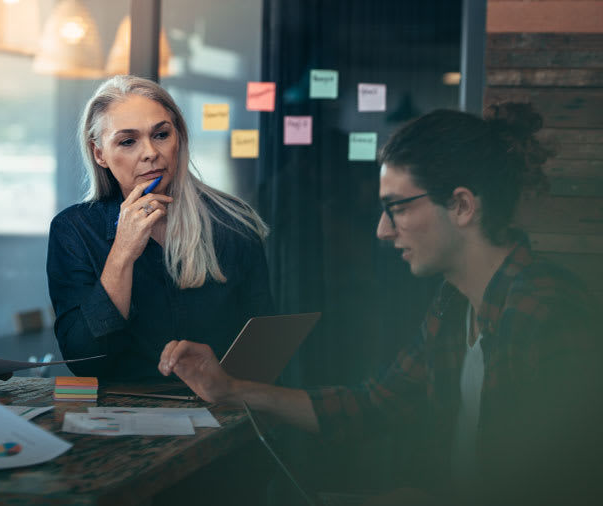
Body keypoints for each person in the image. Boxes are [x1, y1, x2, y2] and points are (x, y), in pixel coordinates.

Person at [158, 104, 603, 503]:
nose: (382, 231)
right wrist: (232, 389)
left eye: (399, 208)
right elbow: (376, 405)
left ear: (462, 206)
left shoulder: (545, 310)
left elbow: (551, 487)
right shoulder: (455, 304)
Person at [48, 75, 273, 380]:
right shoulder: (74, 229)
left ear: (178, 137)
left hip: (221, 410)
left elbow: (264, 351)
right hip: (119, 417)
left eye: (161, 134)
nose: (150, 152)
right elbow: (85, 361)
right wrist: (122, 253)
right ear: (99, 153)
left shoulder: (232, 222)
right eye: (128, 141)